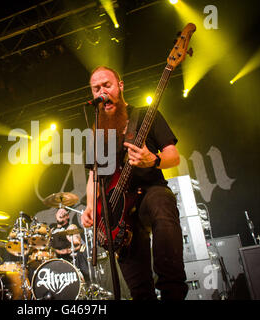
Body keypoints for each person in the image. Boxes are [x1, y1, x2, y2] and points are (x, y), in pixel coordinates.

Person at [81, 66, 188, 300]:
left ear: (120, 86)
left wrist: (154, 159)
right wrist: (90, 206)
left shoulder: (144, 116)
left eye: (107, 85)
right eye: (96, 88)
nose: (102, 92)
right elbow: (93, 176)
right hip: (117, 208)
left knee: (162, 201)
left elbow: (174, 155)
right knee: (139, 290)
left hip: (149, 192)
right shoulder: (95, 133)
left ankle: (172, 289)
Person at [50, 207, 90, 282]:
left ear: (67, 216)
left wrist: (67, 250)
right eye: (59, 212)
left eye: (63, 212)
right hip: (54, 261)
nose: (61, 213)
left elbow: (78, 244)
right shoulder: (52, 231)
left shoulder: (70, 227)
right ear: (56, 215)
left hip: (69, 261)